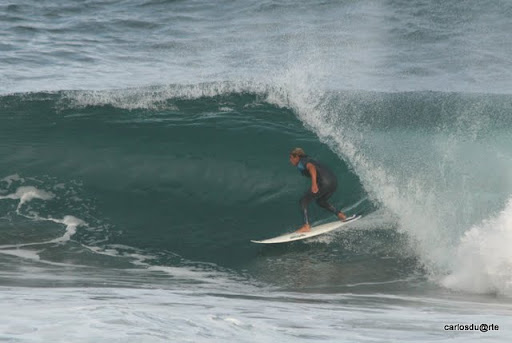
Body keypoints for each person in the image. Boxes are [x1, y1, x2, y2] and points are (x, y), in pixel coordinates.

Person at [289, 148, 347, 233]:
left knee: (303, 201)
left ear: (297, 157)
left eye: (291, 157)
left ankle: (306, 226)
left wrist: (314, 184)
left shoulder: (302, 162)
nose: (290, 160)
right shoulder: (309, 159)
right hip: (333, 181)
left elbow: (311, 168)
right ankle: (340, 215)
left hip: (323, 183)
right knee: (320, 201)